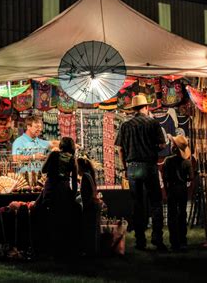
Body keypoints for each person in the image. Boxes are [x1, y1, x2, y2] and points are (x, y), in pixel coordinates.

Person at [114, 94, 167, 251]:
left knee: (137, 204)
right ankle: (157, 239)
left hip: (133, 166)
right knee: (156, 203)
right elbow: (162, 145)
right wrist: (152, 148)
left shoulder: (125, 125)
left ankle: (140, 240)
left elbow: (121, 150)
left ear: (133, 109)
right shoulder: (152, 123)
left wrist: (125, 168)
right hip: (149, 165)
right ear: (146, 107)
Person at [41, 137, 79, 257]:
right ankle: (62, 248)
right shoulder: (73, 159)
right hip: (63, 190)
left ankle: (49, 247)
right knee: (62, 219)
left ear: (61, 145)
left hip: (51, 188)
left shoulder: (54, 155)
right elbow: (74, 181)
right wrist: (72, 195)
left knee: (49, 217)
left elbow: (43, 170)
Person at [162, 134, 194, 251]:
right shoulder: (187, 162)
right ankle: (182, 240)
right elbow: (190, 177)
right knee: (182, 214)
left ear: (174, 148)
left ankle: (174, 242)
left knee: (172, 215)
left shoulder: (167, 161)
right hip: (182, 189)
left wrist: (166, 189)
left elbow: (165, 178)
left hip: (172, 189)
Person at [77, 156, 101, 256]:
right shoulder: (88, 175)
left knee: (89, 231)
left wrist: (84, 208)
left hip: (90, 207)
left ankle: (90, 252)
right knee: (92, 231)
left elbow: (86, 195)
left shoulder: (85, 177)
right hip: (93, 207)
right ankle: (92, 251)